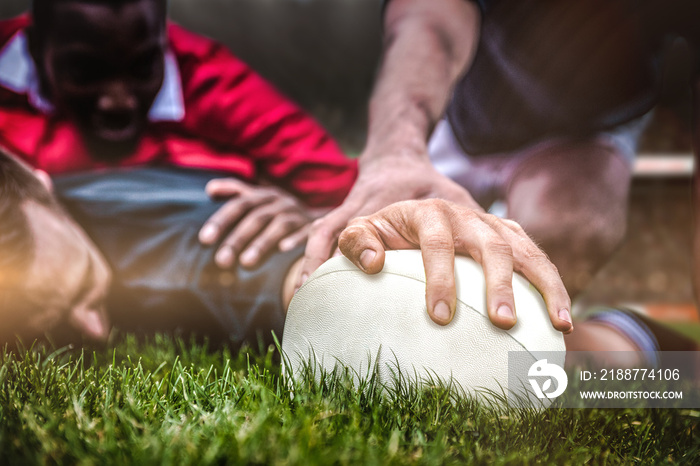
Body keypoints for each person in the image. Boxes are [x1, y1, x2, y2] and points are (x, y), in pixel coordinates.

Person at [299, 0, 700, 353]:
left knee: (531, 283)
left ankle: (627, 343)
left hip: (586, 133)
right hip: (460, 111)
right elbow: (429, 18)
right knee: (381, 240)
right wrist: (396, 154)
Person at [0, 148, 574, 347]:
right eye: (41, 321)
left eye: (80, 289)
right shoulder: (53, 210)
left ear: (38, 184)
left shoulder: (179, 250)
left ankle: (662, 372)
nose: (95, 333)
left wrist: (380, 257)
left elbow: (312, 281)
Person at [0, 0, 357, 271]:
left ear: (164, 39)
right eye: (85, 71)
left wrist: (308, 216)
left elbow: (347, 193)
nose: (118, 101)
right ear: (33, 45)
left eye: (143, 67)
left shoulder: (212, 79)